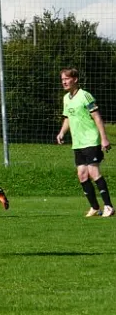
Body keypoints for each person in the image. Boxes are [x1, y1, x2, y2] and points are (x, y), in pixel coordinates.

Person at [56, 68, 114, 217]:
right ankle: (95, 208)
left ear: (75, 79)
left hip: (91, 139)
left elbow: (97, 117)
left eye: (67, 78)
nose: (64, 81)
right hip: (78, 143)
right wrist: (62, 132)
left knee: (94, 172)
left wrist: (104, 138)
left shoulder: (85, 96)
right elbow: (67, 117)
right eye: (62, 79)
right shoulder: (66, 98)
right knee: (82, 175)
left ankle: (108, 206)